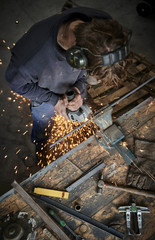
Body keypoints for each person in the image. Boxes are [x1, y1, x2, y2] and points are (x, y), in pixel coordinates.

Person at [5, 5, 132, 152]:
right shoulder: (30, 60)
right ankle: (41, 145)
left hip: (69, 80)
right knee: (43, 121)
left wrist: (79, 88)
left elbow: (84, 75)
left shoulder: (102, 25)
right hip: (43, 95)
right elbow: (17, 85)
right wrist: (54, 100)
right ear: (76, 57)